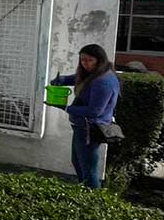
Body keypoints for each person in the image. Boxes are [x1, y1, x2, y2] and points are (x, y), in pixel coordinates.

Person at [52, 43, 121, 190]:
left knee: (88, 170)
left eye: (90, 60)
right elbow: (79, 78)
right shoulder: (96, 73)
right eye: (82, 60)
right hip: (81, 127)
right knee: (78, 162)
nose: (85, 64)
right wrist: (63, 80)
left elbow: (93, 111)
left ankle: (92, 200)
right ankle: (85, 194)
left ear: (99, 60)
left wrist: (65, 107)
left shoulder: (103, 81)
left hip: (90, 128)